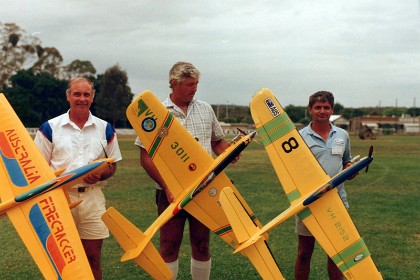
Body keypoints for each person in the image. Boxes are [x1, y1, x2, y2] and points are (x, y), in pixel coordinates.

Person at [135, 62, 234, 279]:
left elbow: (217, 142)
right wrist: (168, 186)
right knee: (169, 245)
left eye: (196, 84)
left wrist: (231, 151)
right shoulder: (156, 112)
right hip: (169, 193)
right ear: (174, 84)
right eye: (190, 84)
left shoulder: (205, 109)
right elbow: (146, 157)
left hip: (204, 189)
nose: (194, 89)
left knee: (201, 244)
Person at [34, 77, 122, 280]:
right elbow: (38, 169)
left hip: (92, 200)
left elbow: (112, 165)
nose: (81, 99)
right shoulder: (50, 127)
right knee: (60, 262)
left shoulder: (105, 128)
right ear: (68, 96)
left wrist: (101, 173)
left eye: (86, 95)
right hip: (59, 200)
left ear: (92, 98)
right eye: (77, 94)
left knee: (92, 259)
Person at [295, 91, 355, 280]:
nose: (322, 111)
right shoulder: (299, 137)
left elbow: (347, 162)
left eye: (326, 107)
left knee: (337, 254)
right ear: (310, 110)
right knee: (304, 252)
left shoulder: (343, 135)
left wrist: (351, 169)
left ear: (332, 110)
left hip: (337, 201)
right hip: (309, 202)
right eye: (318, 107)